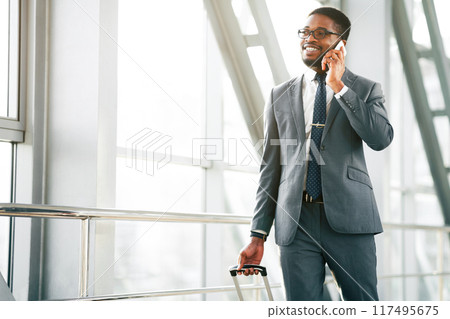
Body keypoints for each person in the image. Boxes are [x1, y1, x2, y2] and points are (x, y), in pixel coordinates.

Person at [236, 7, 393, 301]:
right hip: (295, 223)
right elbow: (271, 166)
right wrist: (258, 234)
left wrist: (339, 87)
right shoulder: (279, 93)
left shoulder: (366, 89)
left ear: (341, 42)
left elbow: (380, 138)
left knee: (363, 305)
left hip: (350, 218)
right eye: (305, 32)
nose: (309, 38)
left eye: (320, 33)